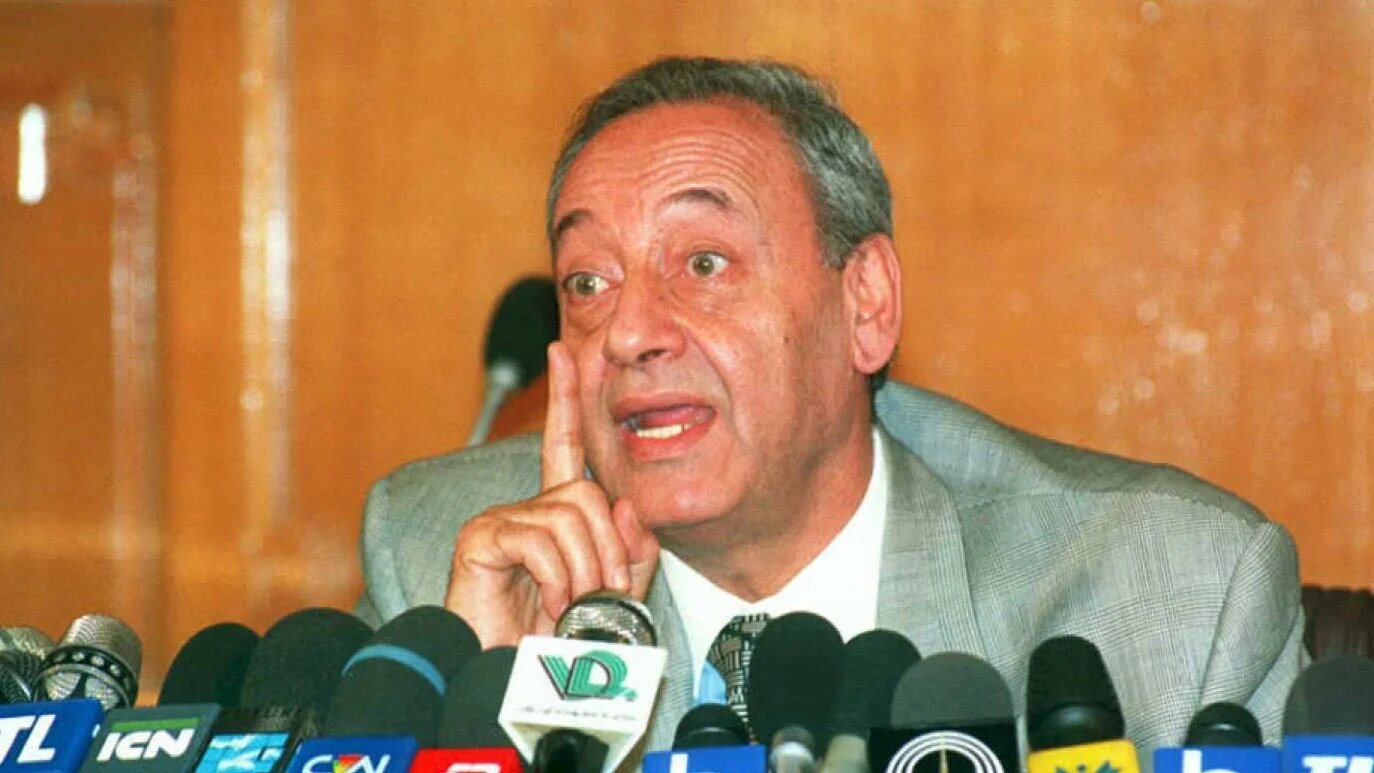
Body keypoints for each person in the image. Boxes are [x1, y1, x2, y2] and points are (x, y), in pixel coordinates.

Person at [355, 57, 1305, 761]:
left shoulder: (1179, 597)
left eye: (704, 264)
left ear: (866, 305)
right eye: (588, 280)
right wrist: (481, 716)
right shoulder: (442, 564)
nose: (631, 332)